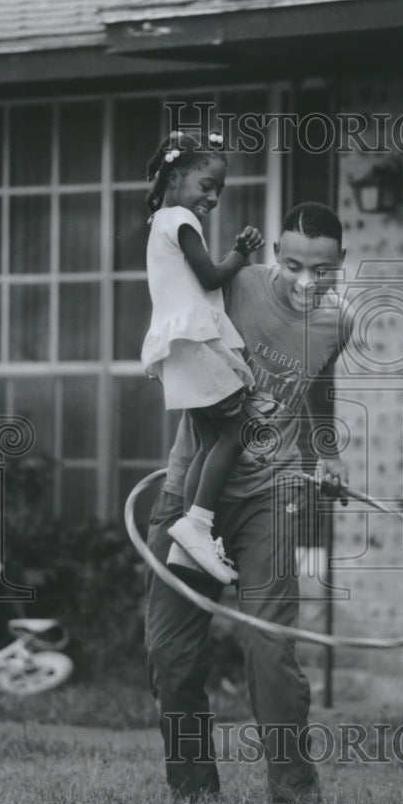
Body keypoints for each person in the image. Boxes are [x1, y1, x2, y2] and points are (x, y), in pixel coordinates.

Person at [145, 202, 352, 804]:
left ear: (342, 262)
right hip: (192, 493)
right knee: (171, 653)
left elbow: (307, 391)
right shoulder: (234, 286)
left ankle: (293, 794)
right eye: (293, 265)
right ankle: (193, 793)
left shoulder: (335, 324)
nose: (307, 282)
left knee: (270, 648)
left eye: (323, 270)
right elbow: (175, 313)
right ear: (275, 257)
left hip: (272, 495)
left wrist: (329, 452)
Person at [140, 130, 265, 584]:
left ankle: (190, 542)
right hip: (193, 344)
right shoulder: (180, 221)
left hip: (180, 347)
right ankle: (197, 525)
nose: (212, 197)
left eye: (219, 190)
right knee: (236, 433)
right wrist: (241, 253)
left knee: (214, 440)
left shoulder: (160, 222)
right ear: (175, 177)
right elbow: (212, 277)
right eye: (205, 185)